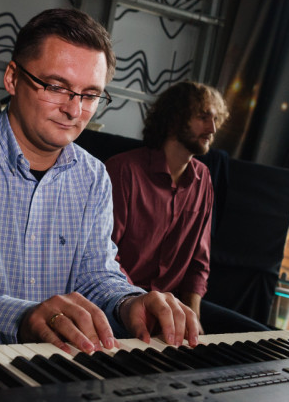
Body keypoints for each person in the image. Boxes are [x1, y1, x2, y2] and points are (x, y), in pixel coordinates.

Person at [0, 8, 201, 354]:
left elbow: (95, 276)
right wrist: (20, 318)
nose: (74, 110)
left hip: (44, 368)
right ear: (12, 79)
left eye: (90, 95)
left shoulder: (93, 177)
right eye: (56, 87)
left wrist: (129, 303)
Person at [106, 81, 270, 334]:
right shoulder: (123, 170)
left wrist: (194, 321)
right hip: (121, 303)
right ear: (174, 119)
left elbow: (198, 263)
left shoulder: (203, 179)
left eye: (215, 119)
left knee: (261, 337)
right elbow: (105, 255)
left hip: (173, 306)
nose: (212, 128)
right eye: (203, 117)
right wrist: (137, 304)